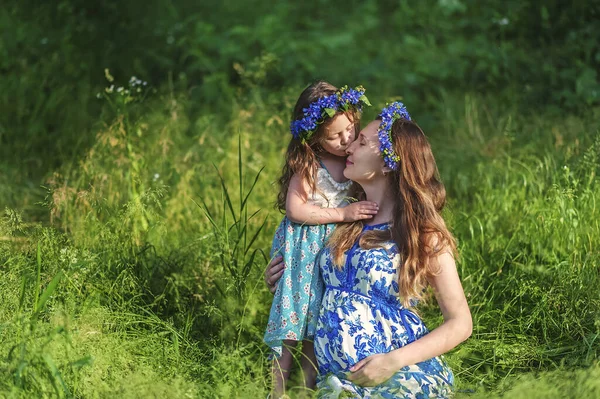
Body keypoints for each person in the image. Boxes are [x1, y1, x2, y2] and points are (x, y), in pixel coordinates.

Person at [265, 102, 472, 398]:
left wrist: (393, 361)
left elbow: (461, 322)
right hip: (336, 383)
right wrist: (281, 278)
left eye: (361, 142)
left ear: (388, 163)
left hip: (398, 375)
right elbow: (306, 273)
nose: (348, 148)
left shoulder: (419, 233)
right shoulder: (342, 220)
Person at [264, 81, 379, 398]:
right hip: (304, 252)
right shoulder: (310, 164)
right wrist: (344, 214)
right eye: (334, 136)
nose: (347, 140)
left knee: (321, 326)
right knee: (292, 323)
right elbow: (295, 210)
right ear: (314, 137)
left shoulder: (355, 158)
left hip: (333, 254)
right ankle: (277, 392)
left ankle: (307, 389)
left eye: (350, 129)